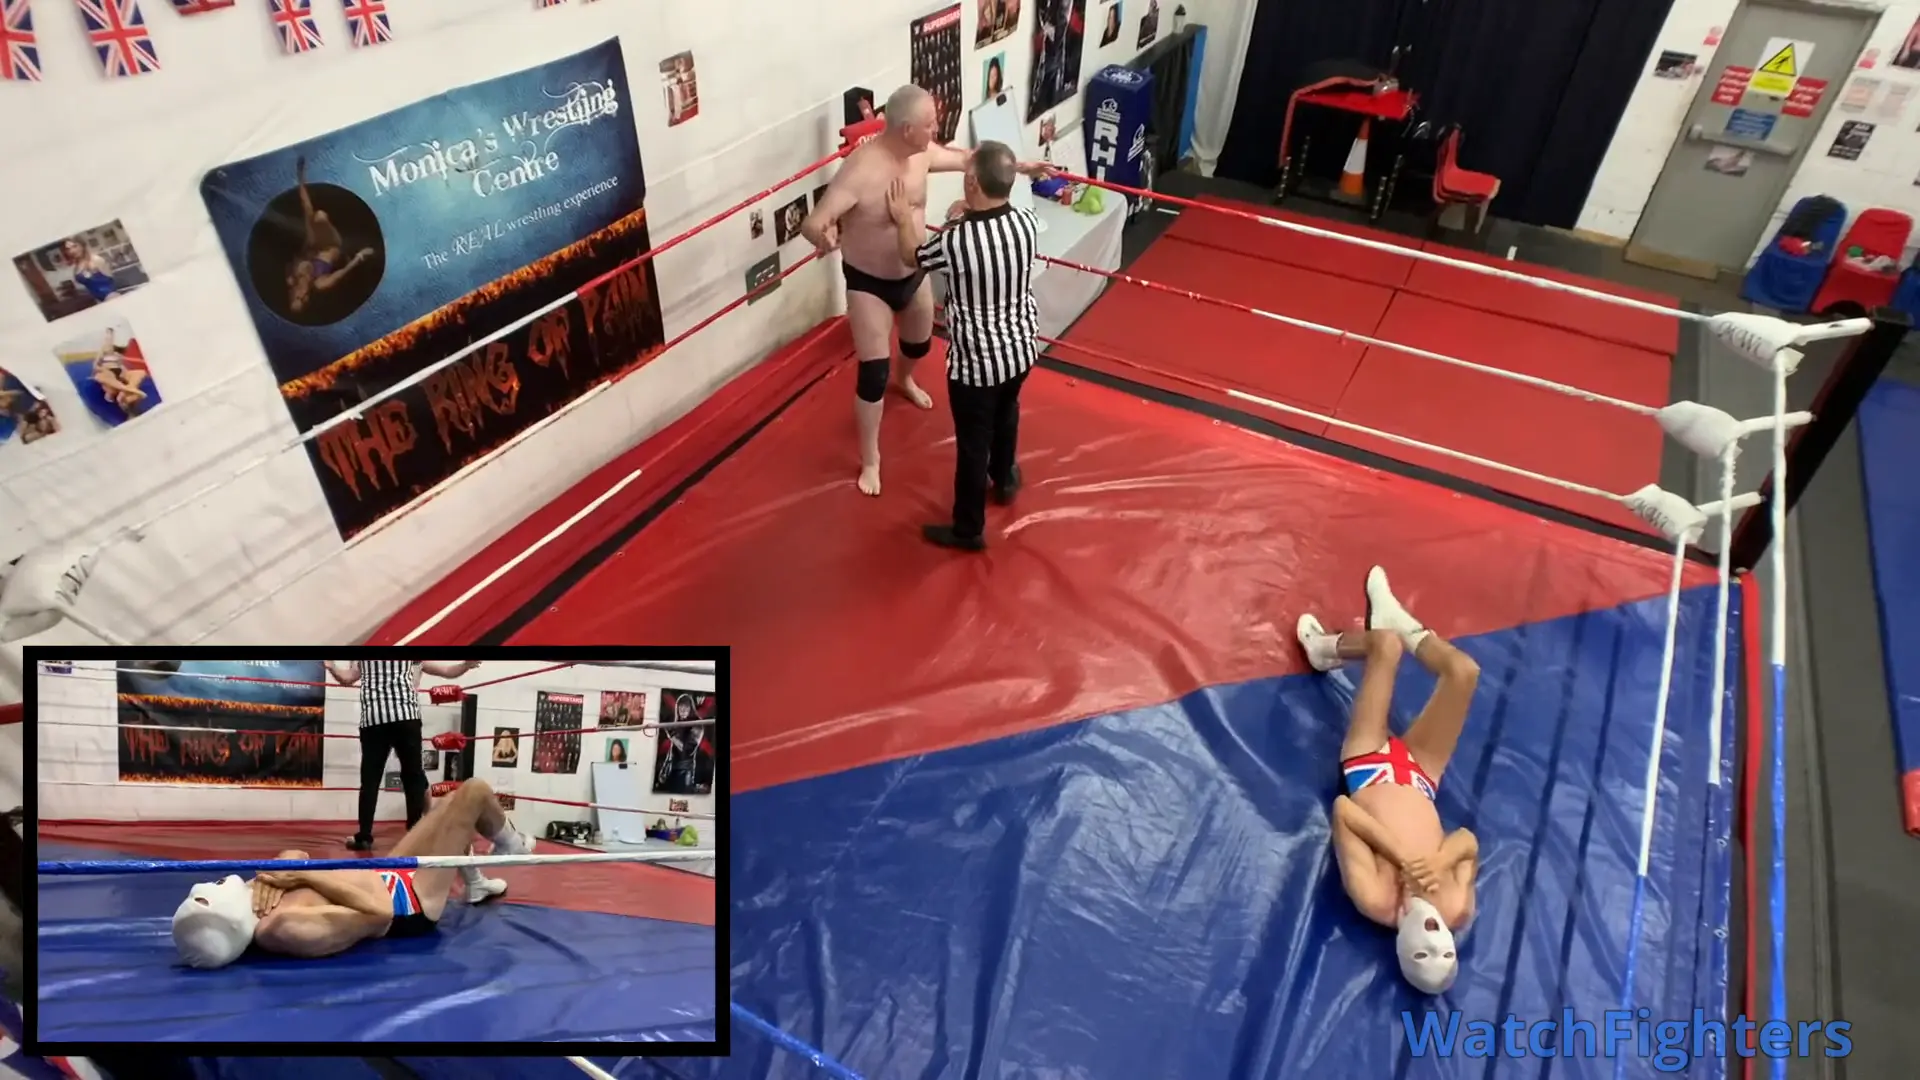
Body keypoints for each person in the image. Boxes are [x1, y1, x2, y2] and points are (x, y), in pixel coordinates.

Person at [800, 84, 1046, 497]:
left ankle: (906, 379)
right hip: (869, 283)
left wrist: (1021, 167)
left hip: (913, 272)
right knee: (873, 374)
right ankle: (871, 460)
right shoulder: (860, 171)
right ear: (907, 129)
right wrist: (822, 237)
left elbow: (973, 160)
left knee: (918, 345)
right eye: (930, 124)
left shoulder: (923, 153)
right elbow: (813, 222)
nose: (937, 129)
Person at [1297, 566, 1481, 994]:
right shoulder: (1456, 906)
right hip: (1421, 776)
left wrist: (1402, 860)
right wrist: (1438, 862)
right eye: (1444, 951)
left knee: (1384, 648)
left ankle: (1322, 649)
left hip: (1368, 767)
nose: (1433, 940)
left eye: (1422, 954)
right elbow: (1468, 841)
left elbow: (1344, 811)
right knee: (1464, 672)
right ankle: (1398, 619)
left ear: (1402, 948)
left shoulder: (1374, 897)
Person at [170, 778, 532, 968]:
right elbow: (379, 914)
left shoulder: (254, 899)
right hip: (410, 902)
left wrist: (284, 864)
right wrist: (305, 876)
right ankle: (512, 848)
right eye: (203, 897)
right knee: (474, 793)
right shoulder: (283, 927)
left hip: (385, 873)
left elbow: (298, 855)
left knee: (449, 802)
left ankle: (476, 883)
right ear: (224, 920)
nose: (206, 885)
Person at [885, 140, 1041, 552]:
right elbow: (991, 228)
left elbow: (911, 256)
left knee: (973, 444)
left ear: (971, 182)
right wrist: (967, 211)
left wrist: (903, 218)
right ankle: (1004, 478)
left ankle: (968, 528)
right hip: (1021, 348)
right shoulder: (1026, 221)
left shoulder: (957, 242)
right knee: (1007, 413)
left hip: (978, 364)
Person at [325, 660, 479, 851]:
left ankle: (364, 836)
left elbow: (348, 678)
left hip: (376, 719)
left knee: (372, 779)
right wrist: (465, 665)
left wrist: (332, 667)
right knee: (412, 777)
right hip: (405, 717)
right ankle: (414, 835)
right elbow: (447, 671)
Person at [287, 156, 375, 317]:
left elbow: (299, 254)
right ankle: (324, 220)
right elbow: (343, 272)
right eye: (301, 299)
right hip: (332, 244)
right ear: (307, 298)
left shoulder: (293, 277)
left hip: (312, 243)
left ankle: (300, 177)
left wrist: (300, 175)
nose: (299, 293)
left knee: (309, 210)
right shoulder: (320, 284)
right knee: (320, 217)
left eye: (294, 297)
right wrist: (361, 256)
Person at [60, 238, 116, 305]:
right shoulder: (76, 266)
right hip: (97, 300)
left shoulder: (96, 260)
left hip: (110, 296)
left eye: (75, 246)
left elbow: (111, 279)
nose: (72, 251)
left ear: (82, 246)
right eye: (68, 249)